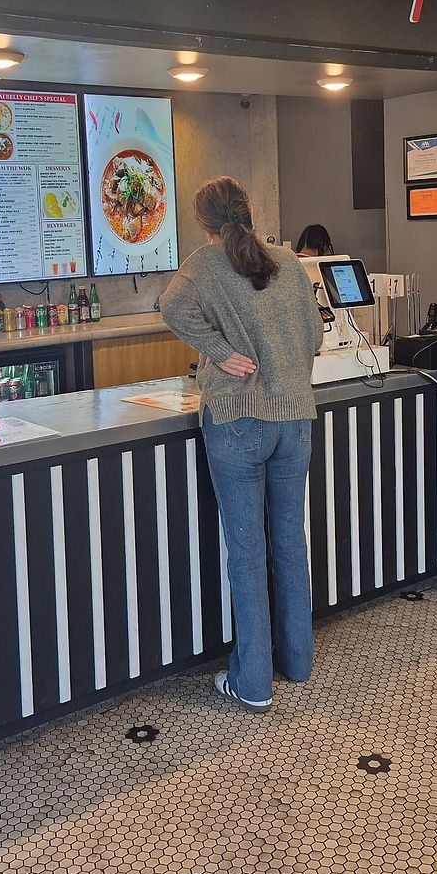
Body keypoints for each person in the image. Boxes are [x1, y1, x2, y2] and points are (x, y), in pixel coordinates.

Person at [161, 177, 325, 711]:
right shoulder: (288, 262)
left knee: (248, 553)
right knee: (290, 542)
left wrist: (218, 350)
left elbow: (170, 307)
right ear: (250, 211)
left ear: (204, 224)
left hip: (237, 421)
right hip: (294, 419)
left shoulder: (204, 265)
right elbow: (316, 335)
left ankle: (252, 682)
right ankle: (297, 660)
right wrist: (279, 357)